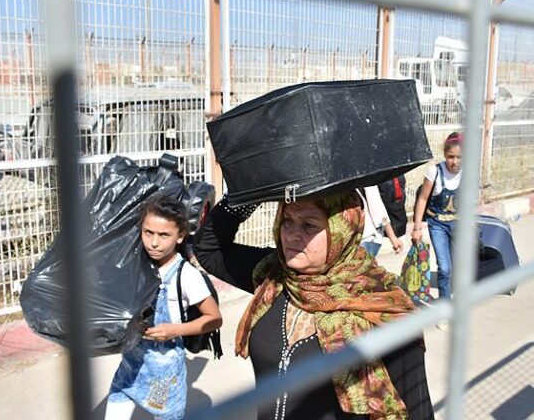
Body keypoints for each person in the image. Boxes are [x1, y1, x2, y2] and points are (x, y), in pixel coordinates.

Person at [194, 192, 435, 419]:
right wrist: (250, 189)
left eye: (309, 225)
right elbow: (208, 248)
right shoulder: (273, 276)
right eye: (287, 220)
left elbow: (417, 410)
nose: (291, 234)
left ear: (342, 227)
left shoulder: (384, 309)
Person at [105, 195, 223, 420]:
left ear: (180, 237)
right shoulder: (137, 264)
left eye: (164, 235)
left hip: (164, 371)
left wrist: (174, 330)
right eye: (148, 233)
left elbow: (215, 318)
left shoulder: (186, 276)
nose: (154, 243)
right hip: (131, 363)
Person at [411, 132, 462, 304]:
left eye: (458, 157)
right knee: (445, 268)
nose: (454, 162)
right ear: (445, 155)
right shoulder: (435, 172)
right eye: (450, 157)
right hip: (438, 224)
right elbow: (423, 199)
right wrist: (417, 228)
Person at [359, 185, 403, 257]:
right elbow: (377, 209)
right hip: (368, 237)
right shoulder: (365, 179)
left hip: (353, 240)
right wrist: (393, 238)